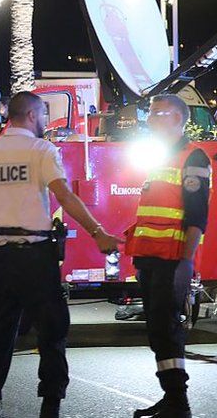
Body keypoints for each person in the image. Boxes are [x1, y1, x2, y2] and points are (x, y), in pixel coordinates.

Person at [0, 91, 120, 418]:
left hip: (0, 260)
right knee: (52, 332)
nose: (44, 121)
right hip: (37, 259)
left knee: (0, 336)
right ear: (30, 115)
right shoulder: (41, 150)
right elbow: (65, 197)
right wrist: (98, 232)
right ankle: (51, 404)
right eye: (42, 114)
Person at [128, 95, 210, 418]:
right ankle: (171, 396)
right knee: (157, 331)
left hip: (171, 259)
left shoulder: (194, 157)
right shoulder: (162, 157)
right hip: (150, 259)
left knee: (166, 330)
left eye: (157, 114)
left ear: (177, 119)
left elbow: (197, 216)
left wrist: (185, 264)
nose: (150, 120)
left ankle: (178, 401)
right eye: (150, 114)